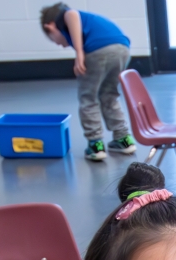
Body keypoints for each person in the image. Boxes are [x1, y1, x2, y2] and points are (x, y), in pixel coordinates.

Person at [40, 3, 137, 160]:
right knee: (109, 95)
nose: (60, 45)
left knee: (88, 98)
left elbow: (71, 14)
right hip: (122, 48)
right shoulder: (89, 21)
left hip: (98, 51)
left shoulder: (63, 16)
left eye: (55, 40)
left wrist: (79, 52)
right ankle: (123, 139)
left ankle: (95, 145)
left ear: (50, 26)